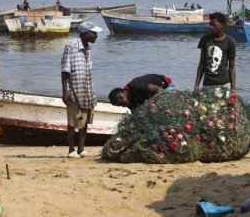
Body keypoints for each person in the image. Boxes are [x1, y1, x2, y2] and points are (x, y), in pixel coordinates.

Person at [61, 21, 102, 158]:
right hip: (74, 91)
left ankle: (81, 149)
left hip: (87, 91)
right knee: (73, 122)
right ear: (85, 34)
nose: (96, 36)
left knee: (85, 121)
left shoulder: (88, 48)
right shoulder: (71, 45)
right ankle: (71, 150)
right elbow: (65, 71)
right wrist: (65, 93)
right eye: (94, 33)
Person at [194, 12, 236, 91]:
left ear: (222, 25)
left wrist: (233, 89)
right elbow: (202, 64)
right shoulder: (205, 40)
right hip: (207, 85)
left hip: (224, 85)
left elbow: (232, 68)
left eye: (214, 25)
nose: (211, 27)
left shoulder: (230, 42)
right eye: (210, 25)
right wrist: (196, 86)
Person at [108, 74, 174, 112]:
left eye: (120, 104)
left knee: (164, 109)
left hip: (165, 87)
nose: (123, 106)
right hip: (150, 95)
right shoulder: (130, 102)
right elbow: (134, 112)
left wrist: (153, 104)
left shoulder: (135, 86)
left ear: (121, 98)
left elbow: (159, 89)